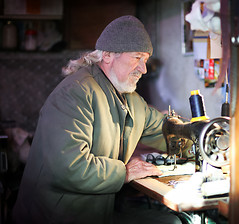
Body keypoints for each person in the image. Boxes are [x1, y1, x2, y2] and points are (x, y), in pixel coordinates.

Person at [12, 15, 182, 224]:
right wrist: (124, 172)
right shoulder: (76, 93)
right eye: (137, 58)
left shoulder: (131, 100)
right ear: (109, 55)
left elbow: (167, 132)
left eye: (145, 61)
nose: (143, 69)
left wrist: (200, 133)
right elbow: (69, 167)